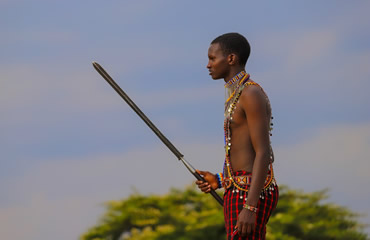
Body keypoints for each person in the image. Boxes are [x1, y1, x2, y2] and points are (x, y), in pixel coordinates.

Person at [196, 33, 278, 240]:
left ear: (231, 59)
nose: (208, 65)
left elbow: (263, 152)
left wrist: (250, 206)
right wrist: (220, 180)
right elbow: (244, 153)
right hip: (240, 188)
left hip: (250, 193)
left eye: (212, 58)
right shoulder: (237, 94)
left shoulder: (250, 94)